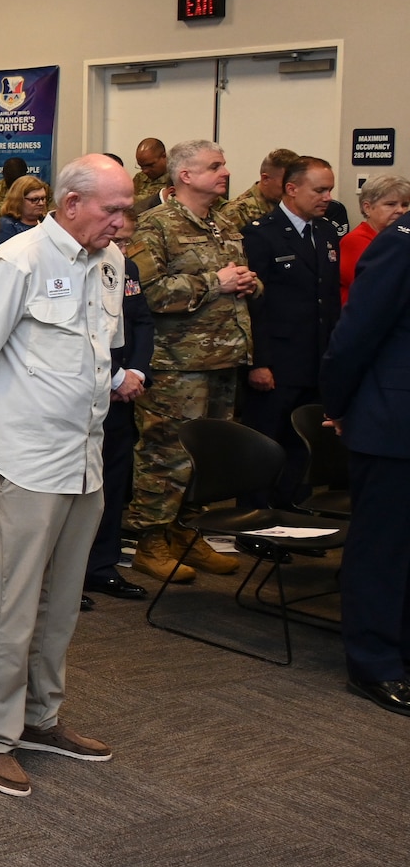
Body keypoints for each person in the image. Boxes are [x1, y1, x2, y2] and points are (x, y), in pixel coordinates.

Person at [0, 156, 133, 798]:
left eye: (127, 209)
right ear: (72, 202)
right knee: (11, 600)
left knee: (62, 602)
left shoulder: (110, 262)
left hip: (83, 458)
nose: (122, 221)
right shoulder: (14, 263)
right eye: (112, 209)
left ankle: (40, 718)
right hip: (18, 461)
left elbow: (96, 353)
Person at [123, 140, 257, 584]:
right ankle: (150, 540)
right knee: (167, 453)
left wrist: (248, 283)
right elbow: (149, 294)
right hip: (176, 364)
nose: (225, 172)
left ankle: (186, 532)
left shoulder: (223, 222)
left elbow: (240, 284)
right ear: (185, 175)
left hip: (223, 357)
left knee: (206, 455)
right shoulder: (154, 226)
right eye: (214, 166)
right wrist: (213, 282)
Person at [320, 215, 410, 716]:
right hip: (394, 421)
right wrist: (337, 404)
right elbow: (355, 335)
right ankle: (374, 663)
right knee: (383, 550)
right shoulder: (400, 244)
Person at [238, 156, 341, 508]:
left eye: (329, 189)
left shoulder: (326, 232)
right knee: (266, 443)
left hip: (314, 359)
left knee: (304, 445)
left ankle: (294, 518)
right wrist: (258, 362)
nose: (327, 197)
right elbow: (254, 305)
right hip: (277, 361)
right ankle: (255, 521)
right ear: (292, 189)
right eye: (320, 189)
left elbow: (326, 300)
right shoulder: (260, 233)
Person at [84, 227, 154, 602]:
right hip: (84, 391)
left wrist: (136, 373)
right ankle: (60, 574)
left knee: (113, 479)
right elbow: (79, 332)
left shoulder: (126, 269)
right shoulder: (71, 267)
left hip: (121, 393)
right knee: (74, 487)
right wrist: (114, 376)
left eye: (127, 242)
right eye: (116, 240)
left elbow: (141, 321)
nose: (121, 248)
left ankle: (100, 565)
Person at [339, 174, 410, 304]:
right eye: (391, 204)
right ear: (367, 208)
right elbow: (377, 286)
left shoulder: (400, 238)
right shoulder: (356, 240)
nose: (400, 210)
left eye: (405, 205)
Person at [218, 147, 299, 231]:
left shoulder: (294, 206)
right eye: (286, 185)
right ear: (266, 179)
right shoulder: (237, 212)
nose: (292, 191)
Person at [0, 175, 49, 245]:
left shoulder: (47, 222)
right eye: (34, 199)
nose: (41, 203)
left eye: (43, 198)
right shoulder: (6, 225)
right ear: (18, 200)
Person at [131, 138, 169, 208]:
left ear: (164, 156)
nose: (145, 171)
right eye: (141, 166)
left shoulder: (176, 179)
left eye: (149, 165)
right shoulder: (139, 177)